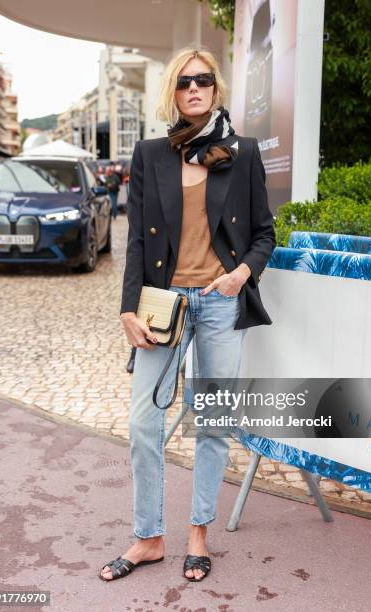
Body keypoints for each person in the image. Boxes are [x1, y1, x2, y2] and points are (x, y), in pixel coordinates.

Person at [99, 47, 275, 583]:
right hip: (163, 304)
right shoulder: (151, 154)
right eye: (183, 82)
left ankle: (198, 532)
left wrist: (240, 274)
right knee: (142, 421)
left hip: (221, 302)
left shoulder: (242, 152)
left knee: (213, 422)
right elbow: (134, 240)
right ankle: (149, 536)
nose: (193, 89)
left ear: (215, 88)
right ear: (171, 93)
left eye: (202, 80)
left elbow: (265, 233)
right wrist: (128, 308)